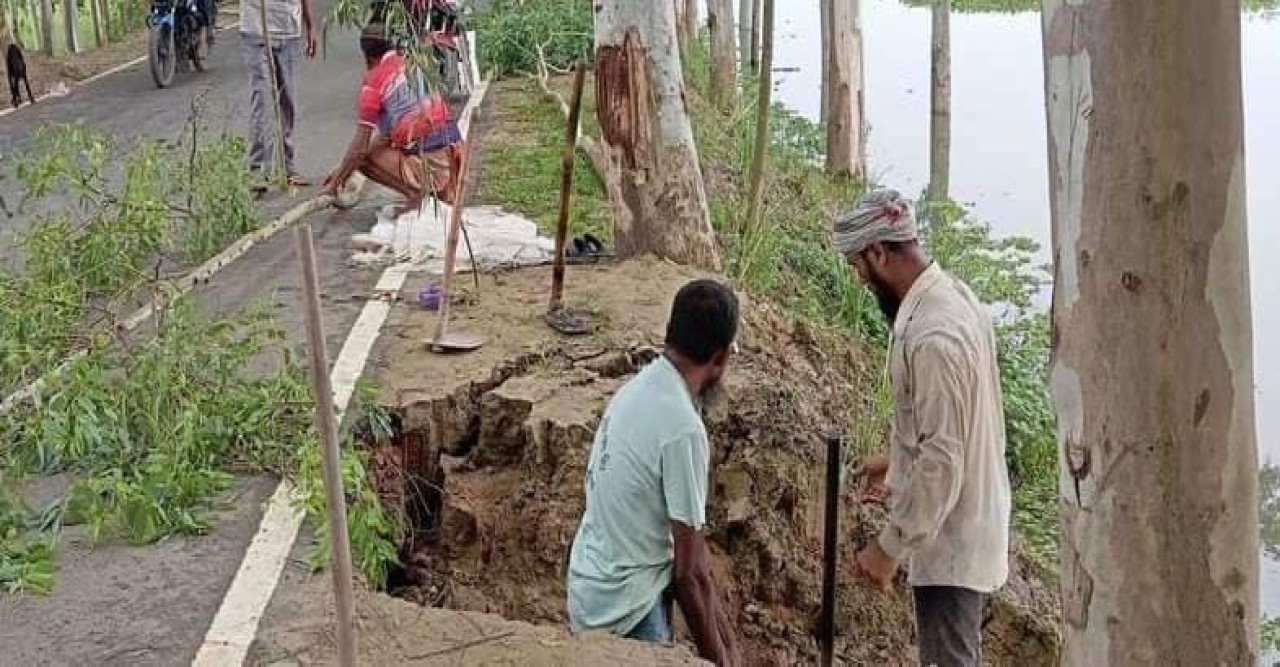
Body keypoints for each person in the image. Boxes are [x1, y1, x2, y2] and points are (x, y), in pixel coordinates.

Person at [833, 190, 1011, 667]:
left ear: (879, 252)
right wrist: (896, 462)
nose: (859, 279)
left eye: (857, 266)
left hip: (953, 540)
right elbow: (956, 427)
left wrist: (890, 546)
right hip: (963, 523)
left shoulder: (935, 335)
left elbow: (943, 460)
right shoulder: (952, 297)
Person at [566, 279, 741, 667]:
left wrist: (727, 641)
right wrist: (721, 660)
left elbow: (693, 556)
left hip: (588, 589)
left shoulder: (638, 388)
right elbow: (689, 576)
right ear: (721, 357)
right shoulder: (683, 429)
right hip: (625, 611)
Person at [321, 23, 465, 212]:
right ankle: (437, 192)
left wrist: (333, 187)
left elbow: (360, 149)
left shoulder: (375, 81)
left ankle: (417, 196)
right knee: (372, 151)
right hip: (455, 155)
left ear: (367, 56)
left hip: (432, 162)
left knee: (363, 157)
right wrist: (343, 171)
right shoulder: (412, 62)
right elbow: (386, 137)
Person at [239, 0, 317, 189]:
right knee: (263, 101)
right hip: (256, 30)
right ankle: (256, 169)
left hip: (288, 31)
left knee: (287, 101)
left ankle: (288, 167)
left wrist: (311, 27)